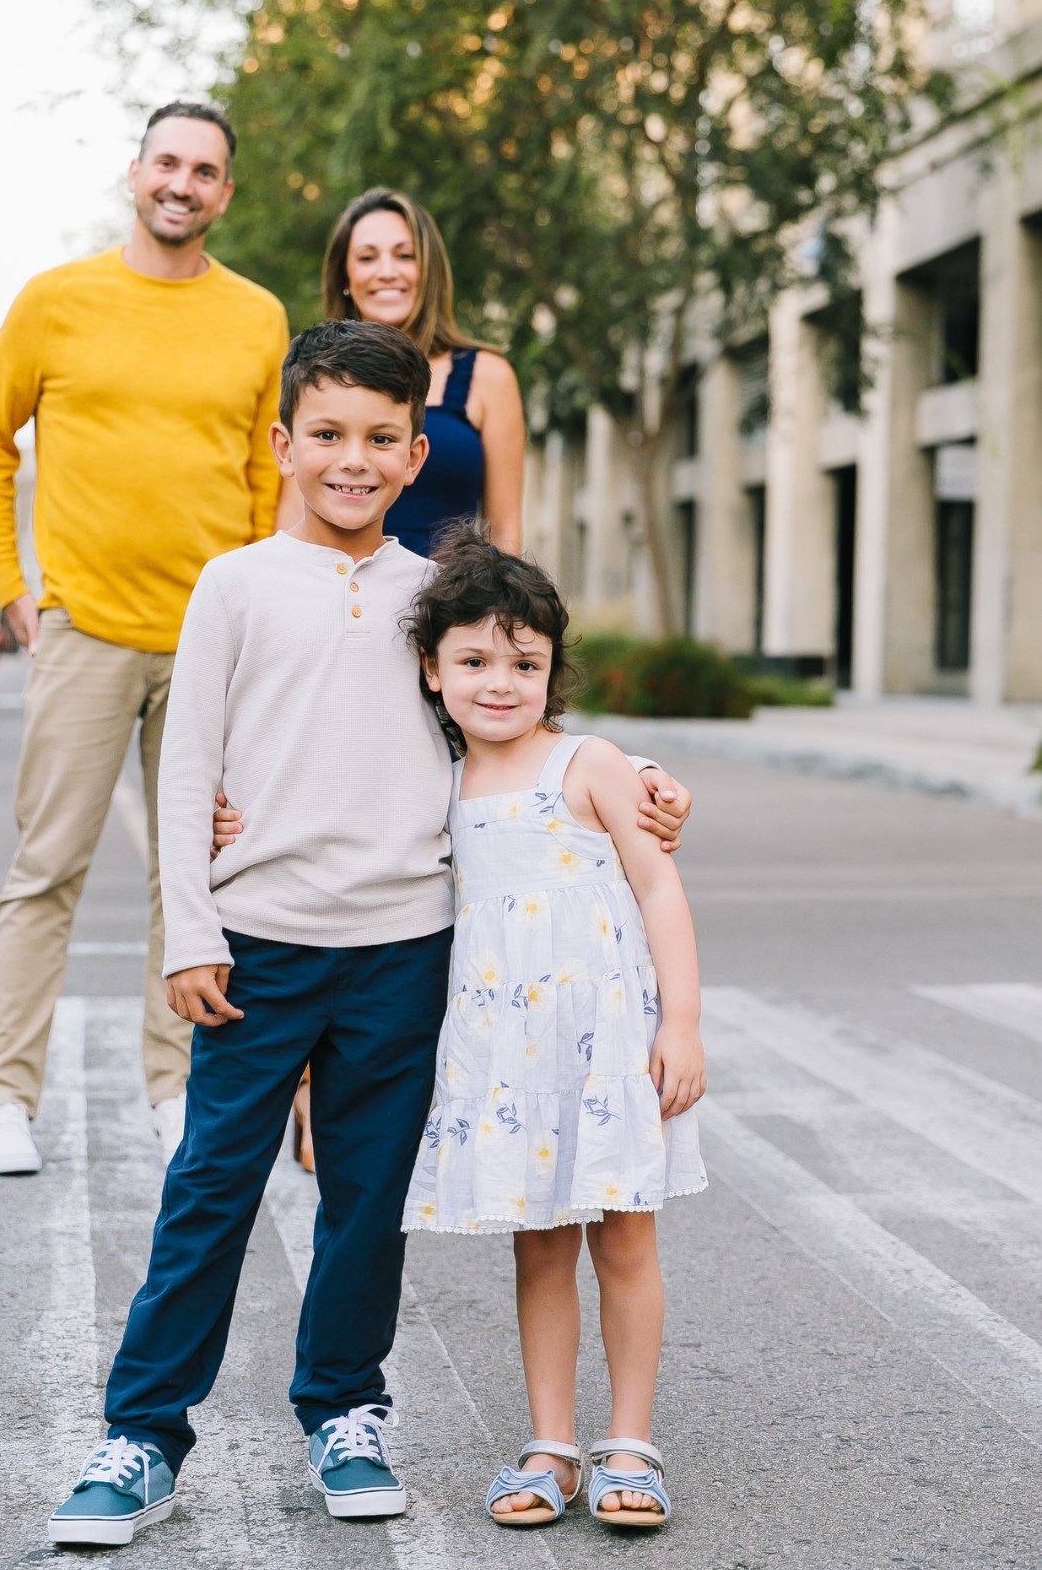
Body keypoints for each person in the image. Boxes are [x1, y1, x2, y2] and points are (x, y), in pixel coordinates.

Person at [47, 321, 689, 1548]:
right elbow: (186, 772)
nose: (353, 459)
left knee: (365, 1198)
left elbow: (514, 717)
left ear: (412, 458)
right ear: (284, 444)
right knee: (210, 1190)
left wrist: (642, 771)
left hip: (407, 949)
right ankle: (141, 1432)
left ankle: (344, 1406)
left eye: (381, 440)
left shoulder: (429, 595)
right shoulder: (232, 584)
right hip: (259, 945)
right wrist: (193, 929)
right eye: (329, 435)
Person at [0, 100, 289, 1176]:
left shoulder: (256, 318)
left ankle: (172, 1086)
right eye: (168, 163)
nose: (183, 183)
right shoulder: (57, 301)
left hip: (210, 645)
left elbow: (259, 479)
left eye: (205, 170)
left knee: (191, 879)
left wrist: (260, 623)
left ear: (225, 192)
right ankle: (4, 1097)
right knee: (47, 865)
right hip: (88, 631)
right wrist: (15, 586)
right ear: (135, 173)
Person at [401, 528, 708, 1532]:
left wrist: (686, 1023)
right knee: (538, 1250)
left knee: (624, 1240)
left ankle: (631, 1438)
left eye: (524, 662)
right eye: (475, 660)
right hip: (509, 1058)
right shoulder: (433, 783)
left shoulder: (590, 761)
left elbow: (659, 886)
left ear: (551, 670)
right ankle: (551, 1444)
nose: (500, 682)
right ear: (432, 667)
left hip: (610, 1043)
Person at [323, 186, 525, 558]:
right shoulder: (314, 377)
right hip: (337, 600)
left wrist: (497, 612)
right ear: (345, 278)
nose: (387, 272)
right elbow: (290, 516)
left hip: (448, 605)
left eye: (405, 255)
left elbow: (505, 531)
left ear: (428, 270)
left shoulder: (489, 378)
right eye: (367, 258)